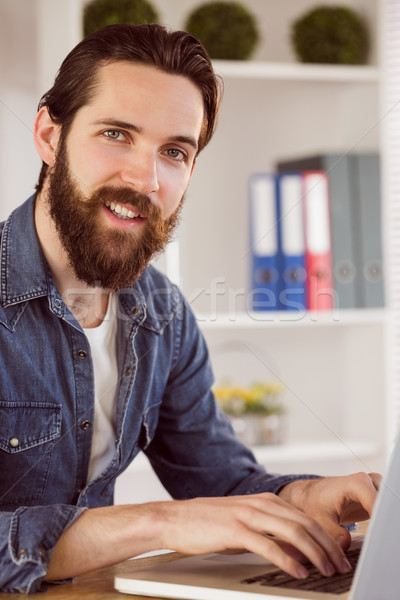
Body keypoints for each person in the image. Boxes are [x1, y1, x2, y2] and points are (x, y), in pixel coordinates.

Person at [0, 23, 380, 594]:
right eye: (116, 134)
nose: (145, 178)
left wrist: (301, 496)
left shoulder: (163, 315)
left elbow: (221, 480)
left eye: (174, 151)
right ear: (50, 136)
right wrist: (159, 520)